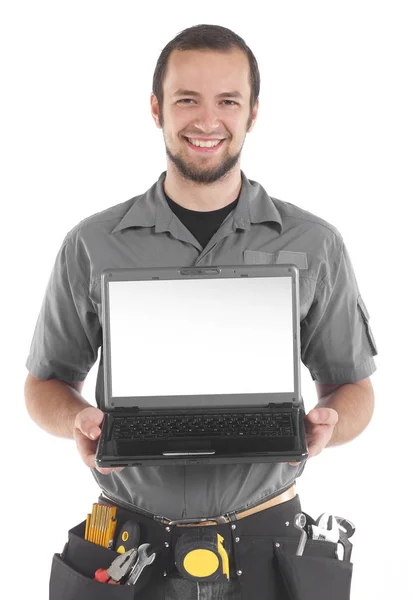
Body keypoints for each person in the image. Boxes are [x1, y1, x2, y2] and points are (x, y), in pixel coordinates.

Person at [24, 23, 377, 600]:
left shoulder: (315, 242)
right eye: (187, 99)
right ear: (157, 108)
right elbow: (44, 383)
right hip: (125, 551)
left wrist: (329, 426)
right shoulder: (92, 243)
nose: (206, 121)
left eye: (227, 101)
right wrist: (77, 421)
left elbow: (353, 389)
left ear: (253, 113)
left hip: (270, 549)